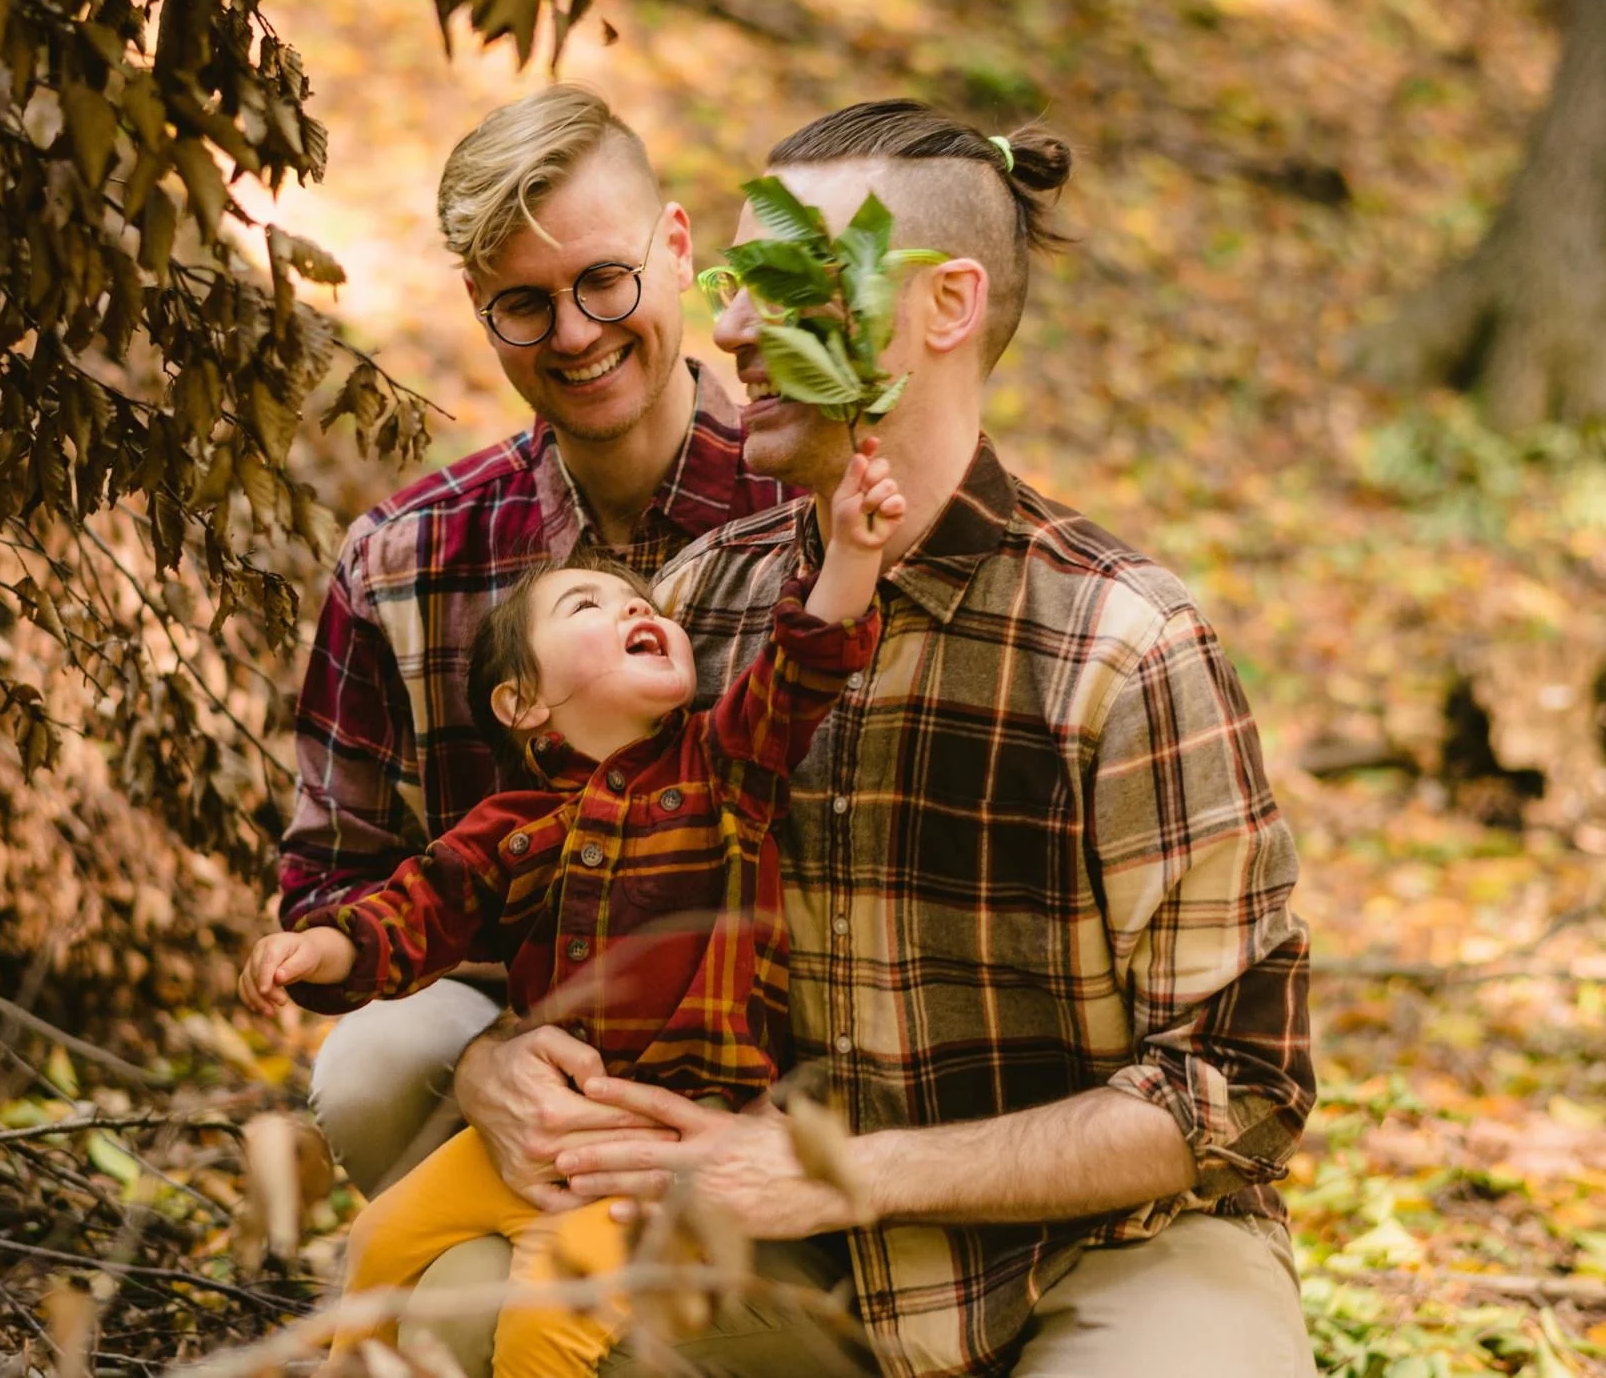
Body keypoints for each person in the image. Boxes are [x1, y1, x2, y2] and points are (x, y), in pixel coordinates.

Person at [449, 102, 1316, 1378]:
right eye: (737, 281)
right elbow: (561, 893)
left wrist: (846, 1173)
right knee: (460, 1305)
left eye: (791, 278)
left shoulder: (1124, 648)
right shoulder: (698, 612)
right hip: (799, 1261)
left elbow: (1237, 1086)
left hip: (1103, 1247)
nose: (732, 329)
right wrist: (495, 1059)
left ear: (946, 305)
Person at [244, 445, 903, 1378]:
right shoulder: (511, 827)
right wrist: (321, 949)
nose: (635, 610)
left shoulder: (721, 767)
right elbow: (416, 911)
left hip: (665, 1149)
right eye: (588, 605)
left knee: (544, 1330)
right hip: (545, 1126)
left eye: (644, 605)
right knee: (380, 1242)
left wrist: (852, 552)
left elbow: (801, 668)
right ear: (522, 702)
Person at [278, 85, 787, 1202]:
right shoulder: (405, 561)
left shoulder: (811, 507)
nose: (574, 335)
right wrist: (479, 1062)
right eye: (523, 303)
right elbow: (328, 886)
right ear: (478, 303)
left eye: (605, 280)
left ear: (676, 247)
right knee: (371, 1068)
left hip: (770, 1041)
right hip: (533, 1021)